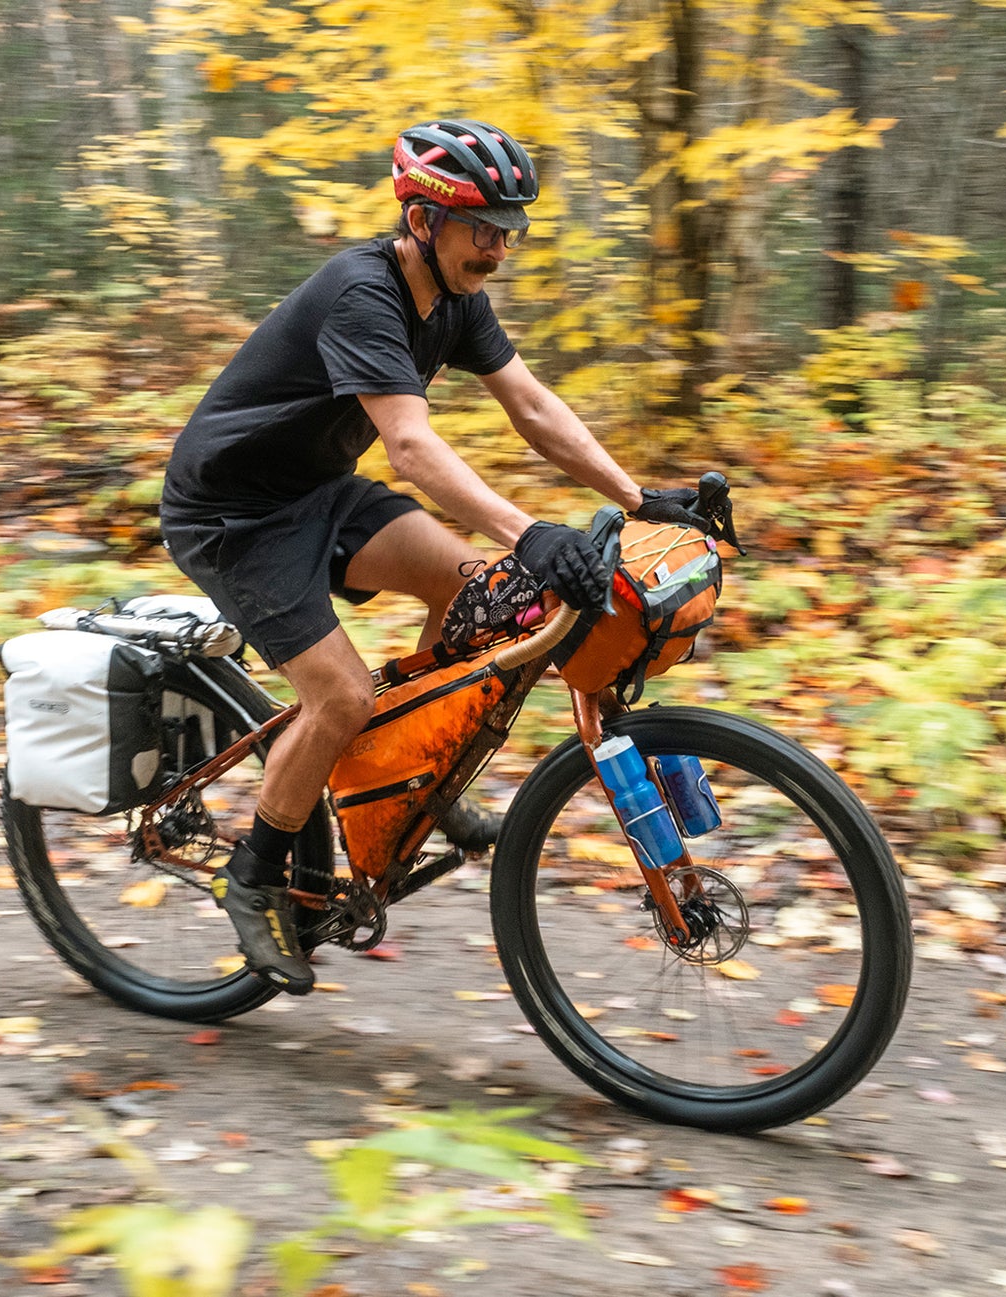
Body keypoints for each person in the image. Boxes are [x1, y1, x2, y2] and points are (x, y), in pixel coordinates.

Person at [158, 118, 709, 994]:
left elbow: (531, 406)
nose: (500, 245)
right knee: (338, 694)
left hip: (318, 493)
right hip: (234, 517)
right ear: (423, 222)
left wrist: (638, 498)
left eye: (508, 228)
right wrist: (530, 531)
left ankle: (409, 764)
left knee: (476, 592)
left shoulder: (455, 300)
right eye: (483, 227)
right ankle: (255, 876)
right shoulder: (364, 294)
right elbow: (411, 449)